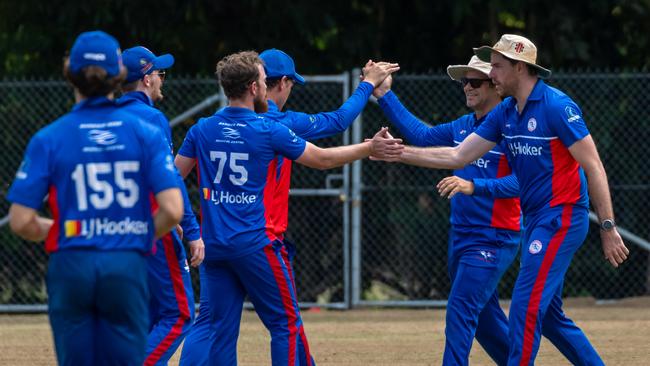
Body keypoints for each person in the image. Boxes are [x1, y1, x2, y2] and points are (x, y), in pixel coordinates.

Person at [372, 34, 629, 365]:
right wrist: (397, 153)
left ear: (519, 68)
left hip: (561, 218)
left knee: (523, 306)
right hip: (535, 221)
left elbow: (593, 165)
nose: (488, 75)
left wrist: (607, 227)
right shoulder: (507, 111)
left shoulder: (556, 106)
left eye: (494, 67)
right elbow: (457, 156)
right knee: (548, 316)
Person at [174, 50, 401, 365]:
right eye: (264, 80)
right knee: (286, 325)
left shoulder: (201, 129)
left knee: (212, 324)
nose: (267, 86)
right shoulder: (271, 127)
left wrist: (187, 224)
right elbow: (324, 154)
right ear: (255, 87)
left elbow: (172, 179)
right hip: (257, 243)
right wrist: (369, 145)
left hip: (215, 244)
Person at [7, 31, 183, 365]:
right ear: (118, 76)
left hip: (71, 265)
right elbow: (173, 210)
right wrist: (130, 233)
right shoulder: (145, 132)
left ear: (68, 73)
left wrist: (68, 230)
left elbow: (20, 220)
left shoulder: (49, 138)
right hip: (124, 263)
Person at [373, 55, 521, 365]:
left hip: (494, 237)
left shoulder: (511, 129)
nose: (466, 87)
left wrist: (475, 186)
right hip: (462, 237)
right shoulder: (464, 126)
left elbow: (523, 182)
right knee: (483, 319)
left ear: (496, 86)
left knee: (460, 311)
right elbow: (423, 136)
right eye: (463, 81)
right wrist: (385, 94)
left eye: (475, 81)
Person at [118, 45, 205, 366]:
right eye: (158, 73)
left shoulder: (107, 116)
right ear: (146, 79)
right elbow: (169, 178)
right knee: (179, 315)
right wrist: (193, 230)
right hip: (152, 226)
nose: (160, 79)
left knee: (149, 315)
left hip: (114, 230)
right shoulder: (151, 118)